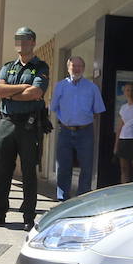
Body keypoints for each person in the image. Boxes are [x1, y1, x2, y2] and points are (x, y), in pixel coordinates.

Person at [0, 27, 50, 229]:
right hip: (7, 122)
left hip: (29, 125)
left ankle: (28, 216)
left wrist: (8, 92)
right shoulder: (8, 67)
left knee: (29, 170)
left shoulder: (40, 67)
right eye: (18, 39)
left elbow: (36, 92)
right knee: (2, 169)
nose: (21, 43)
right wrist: (20, 90)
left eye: (25, 39)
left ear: (33, 42)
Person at [50, 56, 107, 200]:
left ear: (84, 68)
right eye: (73, 66)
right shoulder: (60, 86)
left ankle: (82, 199)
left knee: (86, 167)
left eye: (80, 66)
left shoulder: (92, 87)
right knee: (63, 166)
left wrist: (83, 121)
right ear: (68, 67)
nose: (76, 69)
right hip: (65, 131)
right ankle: (62, 198)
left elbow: (97, 110)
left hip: (85, 131)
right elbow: (54, 107)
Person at [113, 81, 133, 183]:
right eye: (127, 90)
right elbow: (120, 126)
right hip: (123, 139)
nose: (129, 92)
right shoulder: (123, 108)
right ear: (124, 92)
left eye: (132, 90)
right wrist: (116, 145)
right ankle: (123, 189)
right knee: (124, 168)